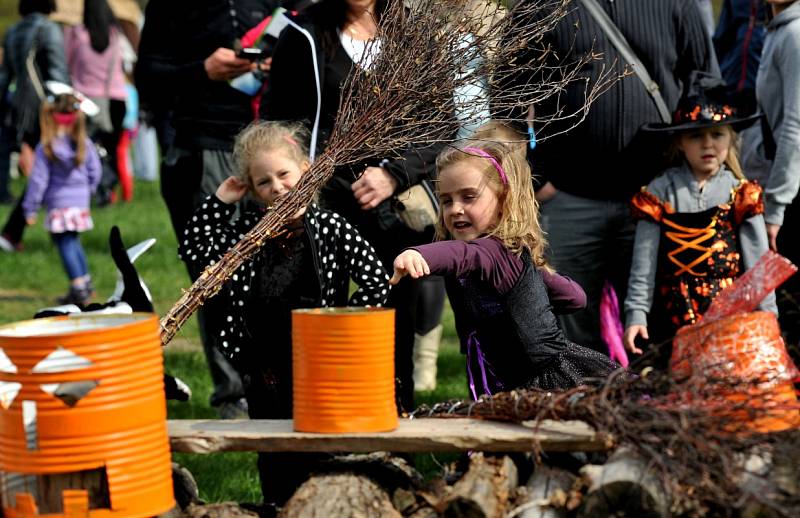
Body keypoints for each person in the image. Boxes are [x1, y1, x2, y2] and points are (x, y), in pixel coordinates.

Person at [179, 120, 389, 506]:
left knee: (321, 447)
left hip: (320, 362)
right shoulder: (248, 233)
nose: (277, 187)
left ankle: (324, 506)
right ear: (254, 191)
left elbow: (376, 280)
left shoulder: (330, 227)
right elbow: (193, 248)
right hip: (266, 366)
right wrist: (222, 199)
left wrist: (340, 324)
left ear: (305, 172)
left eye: (284, 174)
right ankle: (278, 506)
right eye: (264, 182)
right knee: (274, 449)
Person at [497, 0, 718, 354]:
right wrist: (537, 179)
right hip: (570, 197)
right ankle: (582, 407)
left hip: (657, 198)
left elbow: (704, 81)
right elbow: (508, 97)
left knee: (663, 328)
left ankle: (655, 407)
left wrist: (690, 175)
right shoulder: (542, 5)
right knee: (568, 332)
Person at [265, 0, 445, 410]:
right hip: (321, 210)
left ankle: (396, 429)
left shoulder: (414, 36)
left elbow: (442, 124)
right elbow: (276, 124)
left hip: (395, 213)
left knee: (392, 327)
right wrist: (300, 174)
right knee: (321, 325)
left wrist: (394, 173)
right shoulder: (303, 36)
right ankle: (324, 430)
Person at [135, 0, 281, 418]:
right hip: (202, 149)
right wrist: (203, 70)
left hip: (270, 151)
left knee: (278, 270)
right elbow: (147, 78)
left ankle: (277, 379)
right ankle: (233, 393)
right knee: (214, 272)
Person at [391, 139, 617, 397]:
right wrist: (534, 295)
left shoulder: (493, 251)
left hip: (543, 381)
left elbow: (464, 256)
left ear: (503, 201)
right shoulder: (501, 256)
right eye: (446, 200)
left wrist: (417, 253)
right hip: (498, 372)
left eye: (468, 197)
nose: (455, 209)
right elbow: (575, 298)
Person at [623, 72, 774, 366]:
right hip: (672, 317)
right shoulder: (657, 194)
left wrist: (767, 316)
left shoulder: (741, 193)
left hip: (731, 314)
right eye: (696, 135)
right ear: (680, 142)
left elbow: (758, 265)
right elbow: (643, 265)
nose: (707, 144)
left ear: (730, 139)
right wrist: (636, 315)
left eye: (717, 135)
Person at [0, 0, 69, 253]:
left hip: (21, 109)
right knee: (55, 167)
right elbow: (58, 74)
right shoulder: (48, 29)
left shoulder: (12, 31)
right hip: (47, 110)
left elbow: (5, 76)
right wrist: (68, 110)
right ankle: (20, 230)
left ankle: (14, 231)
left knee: (43, 169)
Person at [22, 89, 101, 304]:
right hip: (80, 201)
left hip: (59, 203)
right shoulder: (85, 144)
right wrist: (89, 191)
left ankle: (78, 287)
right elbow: (96, 171)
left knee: (64, 243)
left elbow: (38, 181)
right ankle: (85, 283)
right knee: (73, 241)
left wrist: (30, 208)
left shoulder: (47, 147)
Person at [757, 0, 800, 351]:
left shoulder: (796, 34)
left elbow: (795, 128)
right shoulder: (779, 29)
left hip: (793, 196)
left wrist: (776, 205)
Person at [63, 0, 128, 206]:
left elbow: (67, 66)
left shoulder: (76, 33)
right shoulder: (115, 35)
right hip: (115, 100)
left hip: (84, 102)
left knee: (81, 151)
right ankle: (108, 191)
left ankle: (83, 192)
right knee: (111, 151)